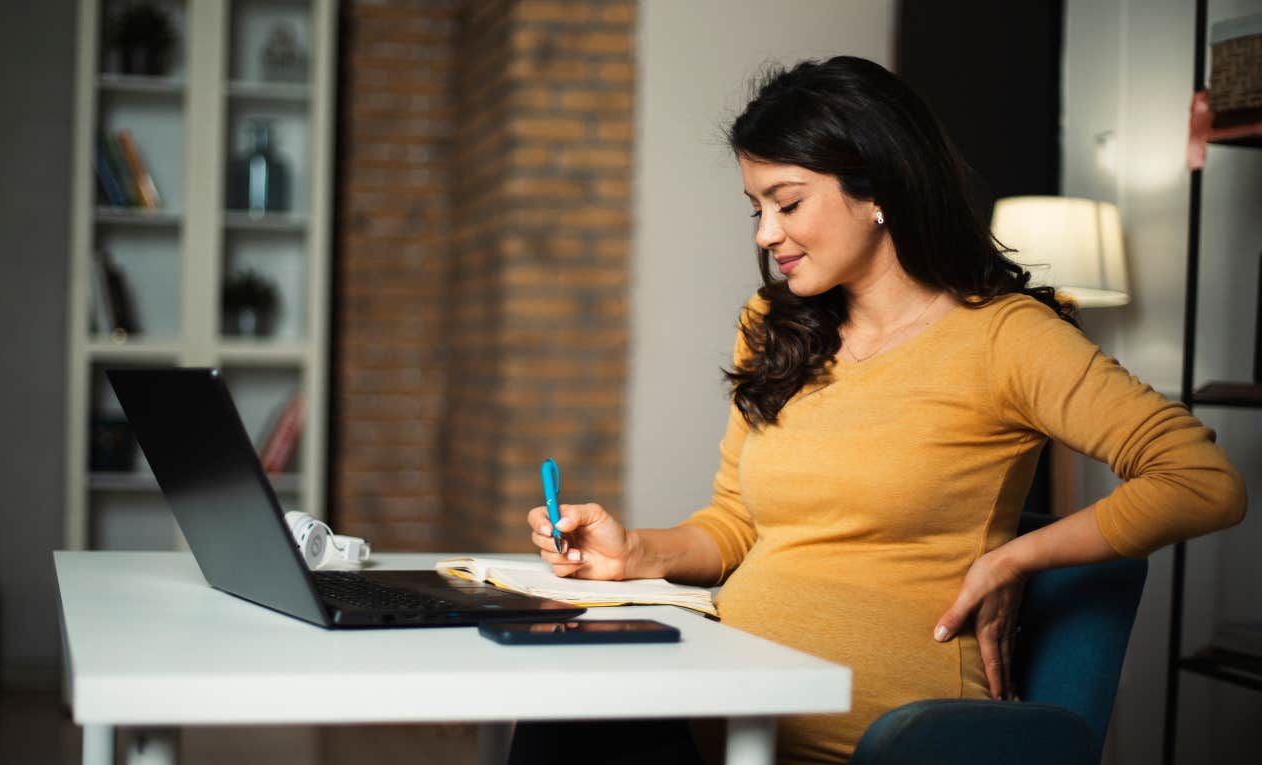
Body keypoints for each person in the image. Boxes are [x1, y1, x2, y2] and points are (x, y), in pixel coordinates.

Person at [510, 56, 1247, 765]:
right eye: (757, 207)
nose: (766, 234)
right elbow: (736, 524)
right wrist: (632, 551)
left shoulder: (1005, 338)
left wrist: (1015, 554)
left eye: (788, 202)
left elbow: (1202, 480)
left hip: (883, 738)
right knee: (556, 716)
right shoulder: (776, 327)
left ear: (877, 188)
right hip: (724, 712)